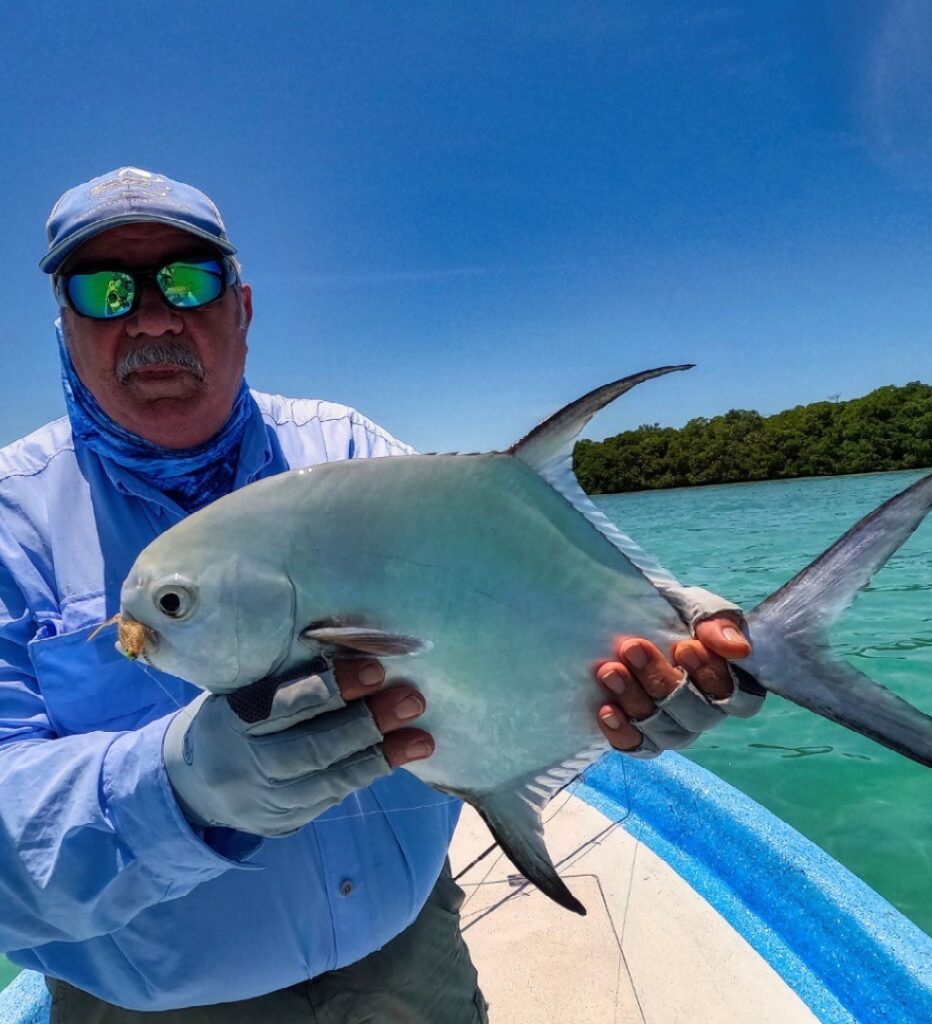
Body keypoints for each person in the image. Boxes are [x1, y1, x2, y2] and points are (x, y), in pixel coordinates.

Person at [0, 167, 760, 1022]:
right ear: (64, 325)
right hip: (154, 1000)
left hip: (404, 952)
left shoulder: (349, 449)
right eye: (104, 290)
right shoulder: (8, 520)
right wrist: (183, 785)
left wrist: (664, 623)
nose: (151, 315)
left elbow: (501, 565)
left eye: (188, 278)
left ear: (241, 309)